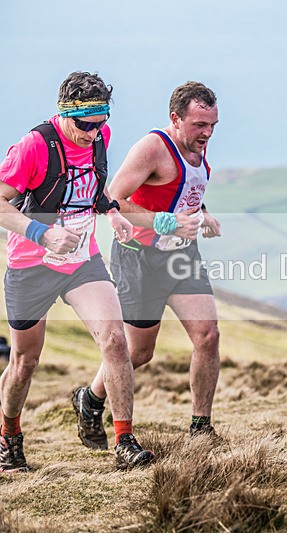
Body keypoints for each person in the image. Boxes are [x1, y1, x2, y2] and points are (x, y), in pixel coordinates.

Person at [0, 71, 155, 472]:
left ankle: (124, 441)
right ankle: (9, 437)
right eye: (86, 125)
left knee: (115, 340)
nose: (94, 133)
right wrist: (43, 233)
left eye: (101, 123)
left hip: (81, 259)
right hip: (31, 263)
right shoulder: (34, 146)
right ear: (65, 114)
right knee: (24, 362)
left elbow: (92, 186)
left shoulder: (99, 137)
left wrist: (112, 212)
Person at [73, 81, 222, 446]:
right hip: (139, 259)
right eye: (199, 125)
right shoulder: (153, 148)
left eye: (212, 125)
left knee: (208, 336)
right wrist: (167, 223)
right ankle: (90, 398)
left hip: (182, 257)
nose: (207, 133)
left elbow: (182, 190)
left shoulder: (197, 147)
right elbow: (112, 198)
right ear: (176, 118)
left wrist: (203, 213)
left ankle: (200, 427)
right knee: (139, 352)